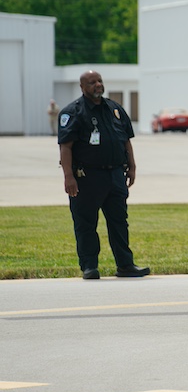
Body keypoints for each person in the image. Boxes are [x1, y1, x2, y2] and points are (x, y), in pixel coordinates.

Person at [58, 71, 150, 279]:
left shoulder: (114, 109)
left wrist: (132, 167)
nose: (97, 85)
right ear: (82, 87)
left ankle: (125, 265)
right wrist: (68, 176)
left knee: (119, 221)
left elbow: (126, 140)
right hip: (86, 178)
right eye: (92, 83)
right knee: (86, 224)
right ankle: (89, 266)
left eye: (99, 81)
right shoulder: (73, 112)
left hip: (115, 175)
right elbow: (66, 147)